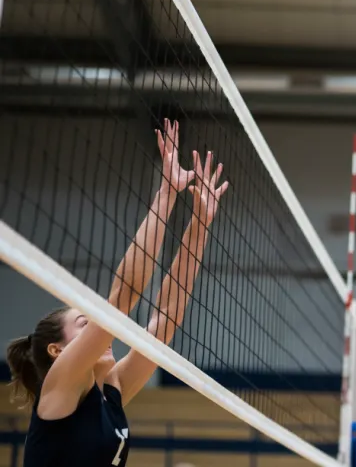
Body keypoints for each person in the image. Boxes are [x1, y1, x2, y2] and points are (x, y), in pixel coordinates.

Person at [5, 120, 229, 467]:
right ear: (58, 350)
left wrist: (200, 223)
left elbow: (164, 322)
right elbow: (122, 299)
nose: (99, 326)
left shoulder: (112, 391)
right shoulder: (59, 387)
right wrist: (167, 194)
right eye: (84, 323)